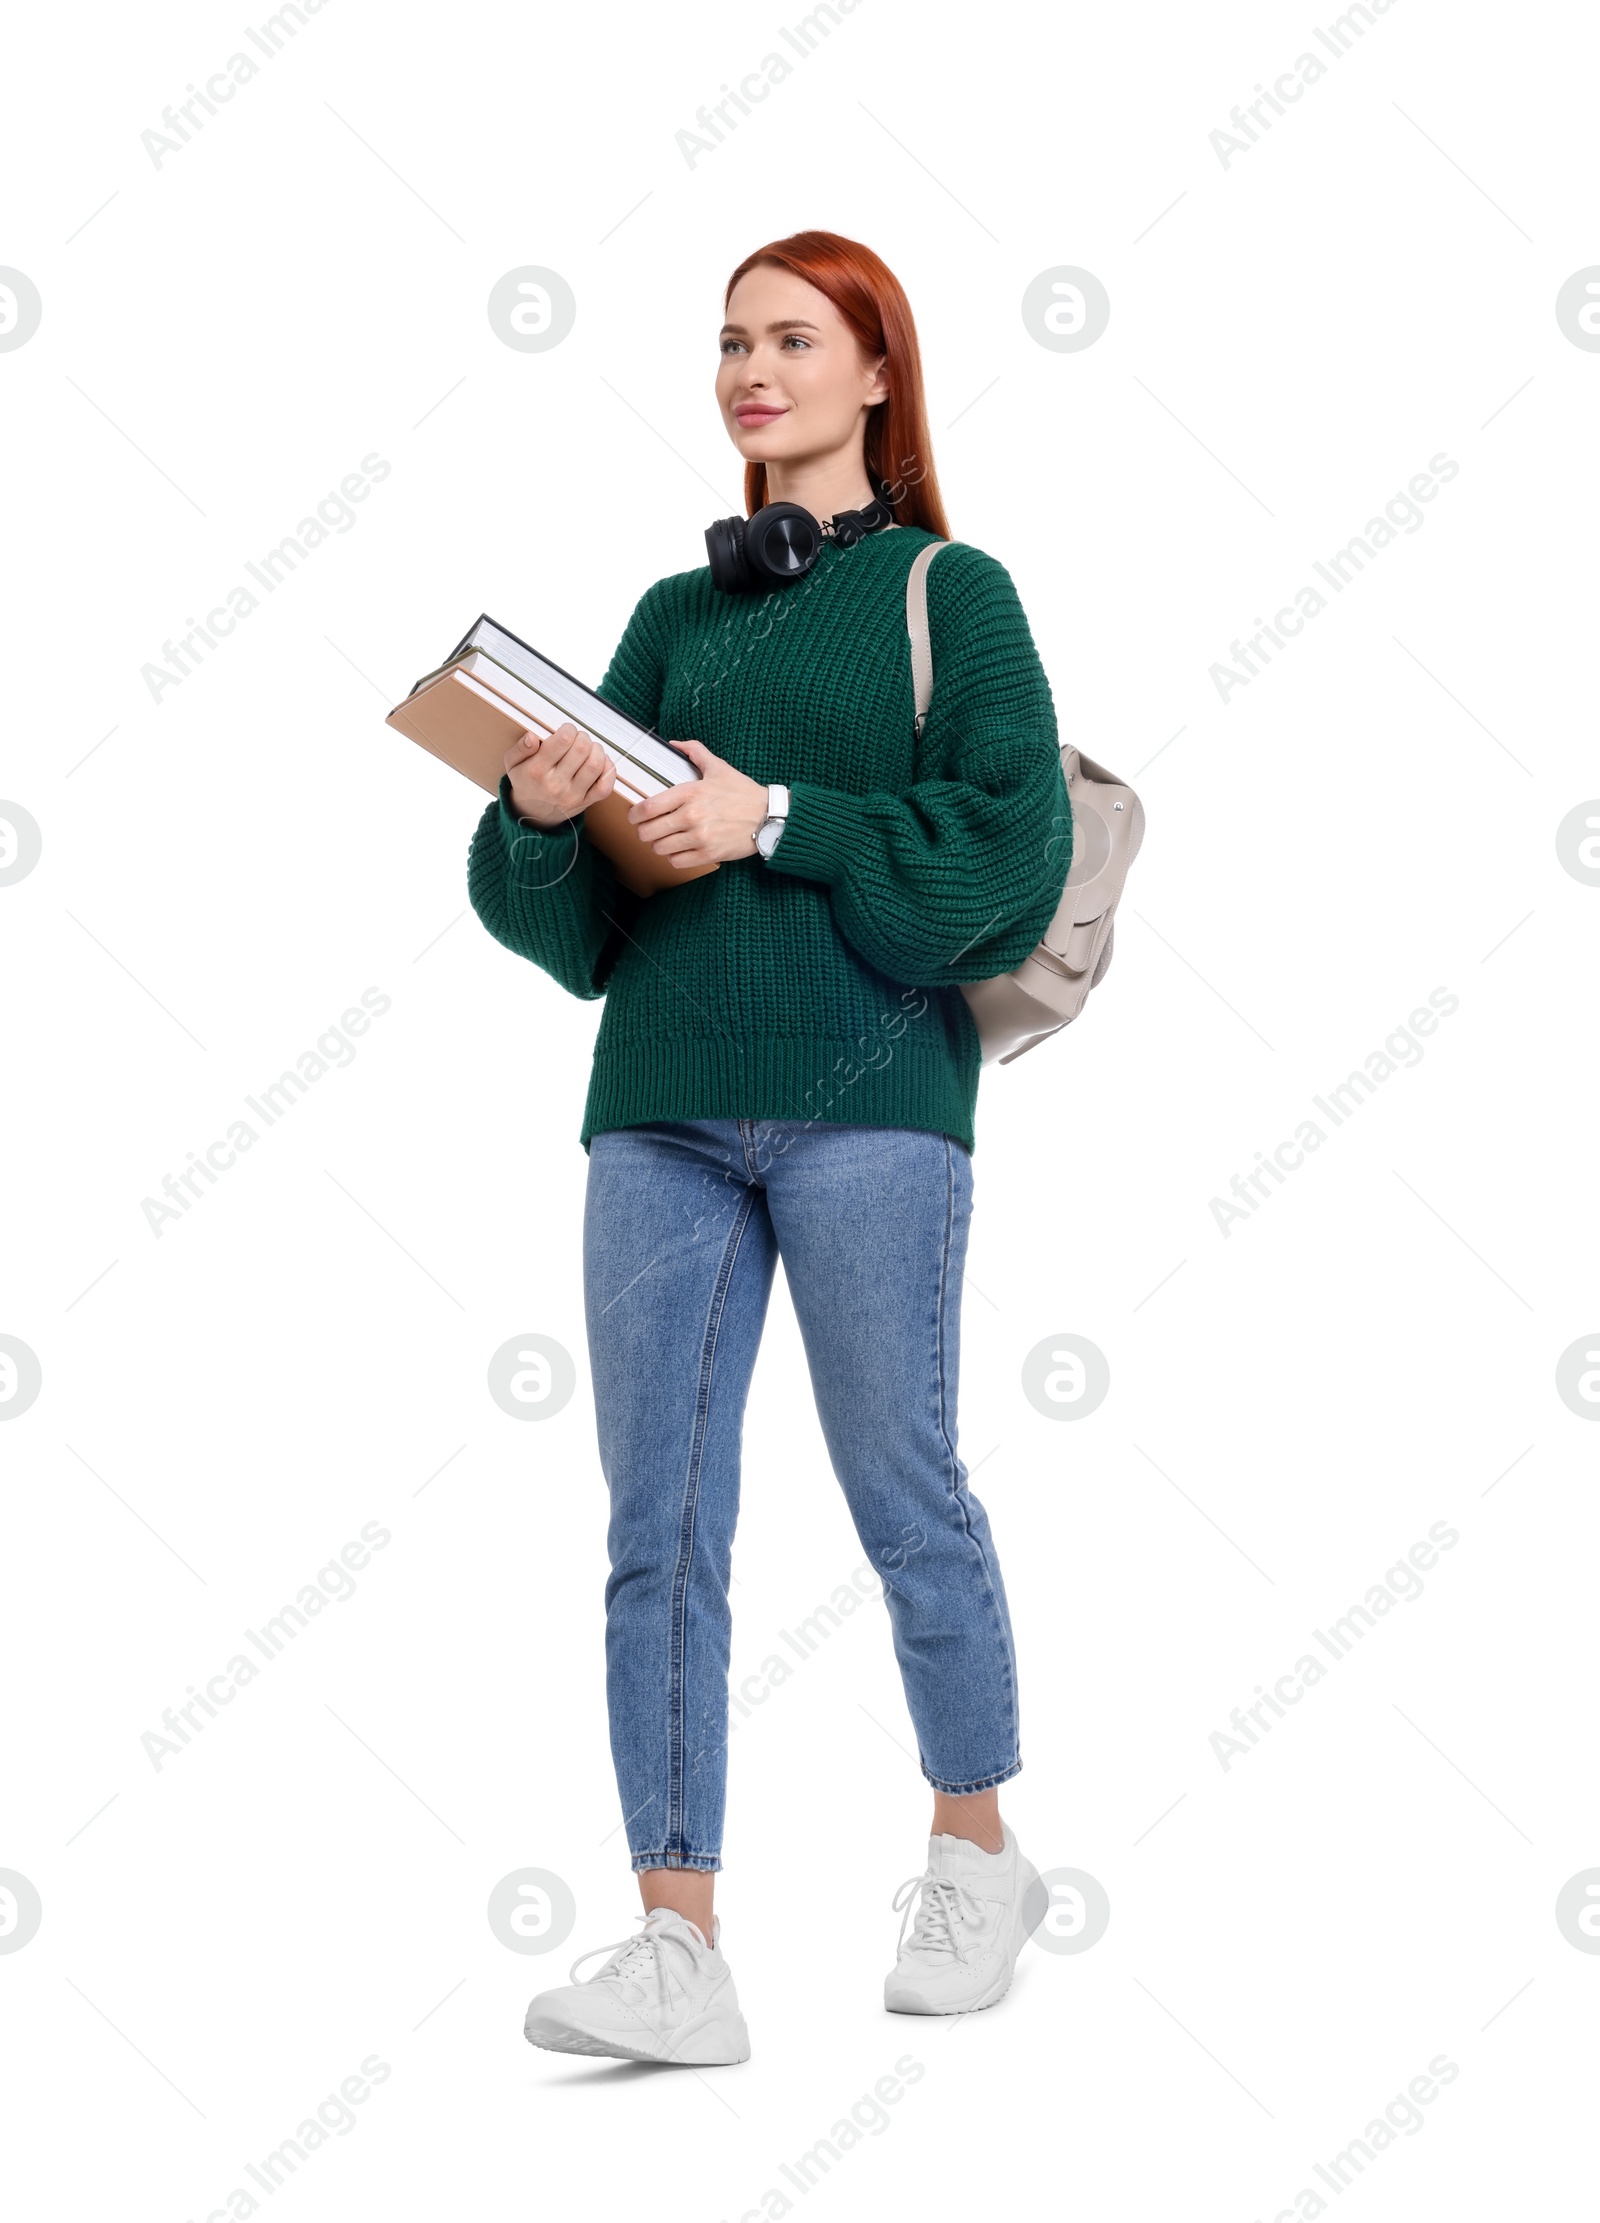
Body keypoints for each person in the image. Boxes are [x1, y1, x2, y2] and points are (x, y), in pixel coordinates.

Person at [467, 229, 1072, 2065]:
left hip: (872, 1106)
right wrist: (542, 814)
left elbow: (1006, 848)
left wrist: (783, 815)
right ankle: (677, 1942)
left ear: (878, 371)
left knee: (906, 1491)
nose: (752, 370)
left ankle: (976, 1849)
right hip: (655, 1109)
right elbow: (563, 933)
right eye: (730, 340)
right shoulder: (670, 615)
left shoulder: (951, 595)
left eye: (793, 339)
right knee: (658, 1528)